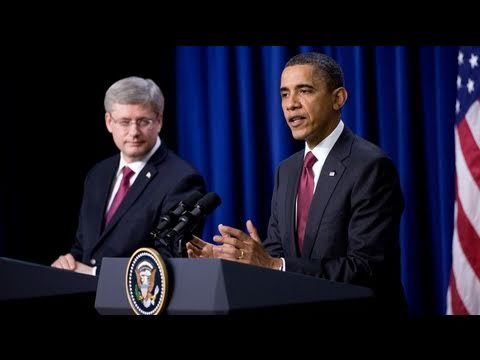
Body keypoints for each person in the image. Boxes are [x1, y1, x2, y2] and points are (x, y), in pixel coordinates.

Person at [187, 52, 407, 314]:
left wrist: (271, 264)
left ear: (338, 98)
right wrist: (236, 260)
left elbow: (366, 268)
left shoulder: (370, 166)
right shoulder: (287, 170)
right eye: (284, 94)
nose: (291, 104)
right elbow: (278, 253)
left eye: (304, 91)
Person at [52, 76, 206, 275]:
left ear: (159, 121)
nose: (134, 132)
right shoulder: (98, 174)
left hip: (136, 303)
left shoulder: (183, 180)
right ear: (109, 122)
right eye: (124, 122)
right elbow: (84, 248)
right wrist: (68, 264)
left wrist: (94, 274)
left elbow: (171, 263)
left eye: (143, 121)